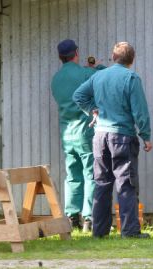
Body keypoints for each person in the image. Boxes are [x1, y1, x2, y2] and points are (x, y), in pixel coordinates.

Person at [73, 42, 152, 238]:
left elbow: (79, 95)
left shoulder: (98, 76)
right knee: (126, 184)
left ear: (113, 57)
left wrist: (93, 110)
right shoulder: (131, 78)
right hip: (122, 136)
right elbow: (139, 111)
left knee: (102, 183)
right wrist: (146, 135)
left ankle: (99, 232)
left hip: (100, 136)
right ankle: (130, 231)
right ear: (131, 60)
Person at [50, 39, 104, 232]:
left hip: (66, 133)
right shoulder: (84, 73)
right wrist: (96, 65)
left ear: (60, 56)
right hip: (84, 131)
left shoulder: (55, 79)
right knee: (90, 173)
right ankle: (88, 218)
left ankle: (72, 216)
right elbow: (103, 74)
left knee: (72, 175)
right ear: (76, 53)